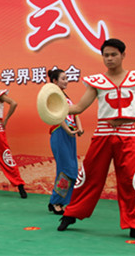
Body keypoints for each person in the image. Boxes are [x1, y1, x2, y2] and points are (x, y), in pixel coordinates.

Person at [57, 38, 135, 241]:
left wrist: (128, 120)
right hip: (102, 134)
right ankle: (71, 214)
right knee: (89, 176)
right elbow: (79, 107)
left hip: (127, 135)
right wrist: (55, 110)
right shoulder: (97, 82)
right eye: (106, 55)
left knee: (130, 180)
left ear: (123, 55)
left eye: (113, 54)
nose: (109, 58)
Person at [46, 69, 84, 214]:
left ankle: (59, 201)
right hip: (60, 133)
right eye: (63, 78)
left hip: (70, 135)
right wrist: (67, 129)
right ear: (55, 81)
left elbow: (75, 113)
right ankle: (56, 202)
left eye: (67, 78)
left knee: (72, 169)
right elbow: (57, 116)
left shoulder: (66, 97)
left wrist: (79, 128)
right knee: (65, 170)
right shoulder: (52, 97)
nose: (66, 81)